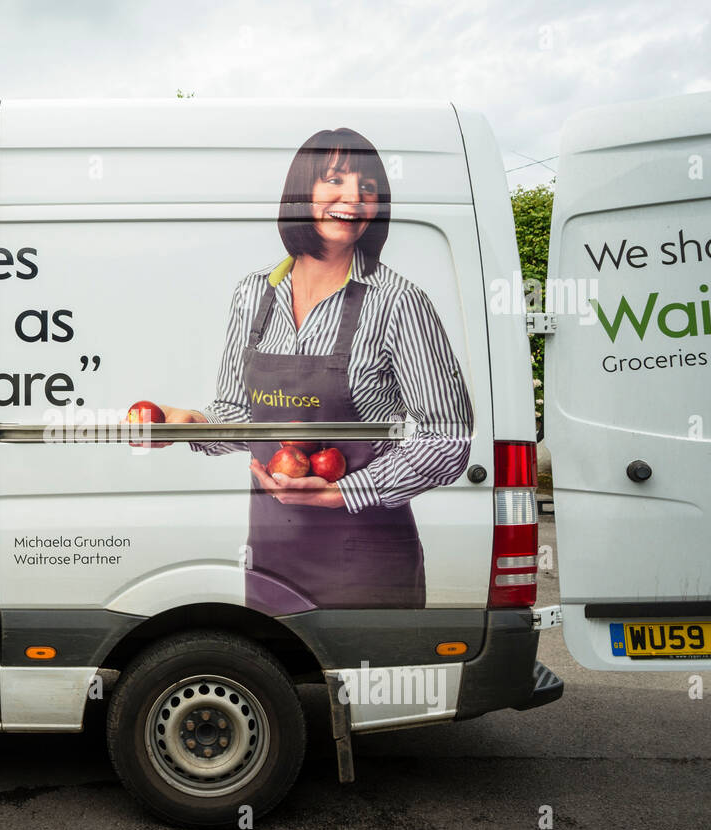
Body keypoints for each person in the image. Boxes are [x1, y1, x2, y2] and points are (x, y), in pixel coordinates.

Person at [156, 127, 473, 612]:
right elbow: (244, 418)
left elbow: (447, 438)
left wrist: (341, 492)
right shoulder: (253, 295)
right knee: (280, 686)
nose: (353, 199)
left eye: (368, 188)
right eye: (334, 181)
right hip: (273, 556)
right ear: (302, 194)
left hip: (367, 561)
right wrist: (189, 426)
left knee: (369, 687)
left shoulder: (398, 302)